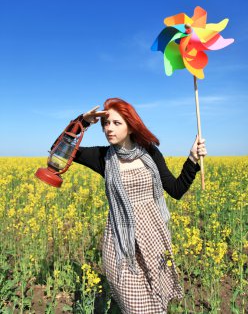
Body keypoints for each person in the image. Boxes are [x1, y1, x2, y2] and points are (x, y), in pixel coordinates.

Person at [73, 98, 207, 314]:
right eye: (106, 123)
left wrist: (192, 159)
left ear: (130, 124)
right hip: (121, 244)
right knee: (135, 307)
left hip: (153, 238)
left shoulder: (150, 153)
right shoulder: (102, 157)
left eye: (116, 123)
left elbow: (176, 189)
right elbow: (58, 150)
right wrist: (82, 123)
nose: (109, 128)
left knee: (156, 303)